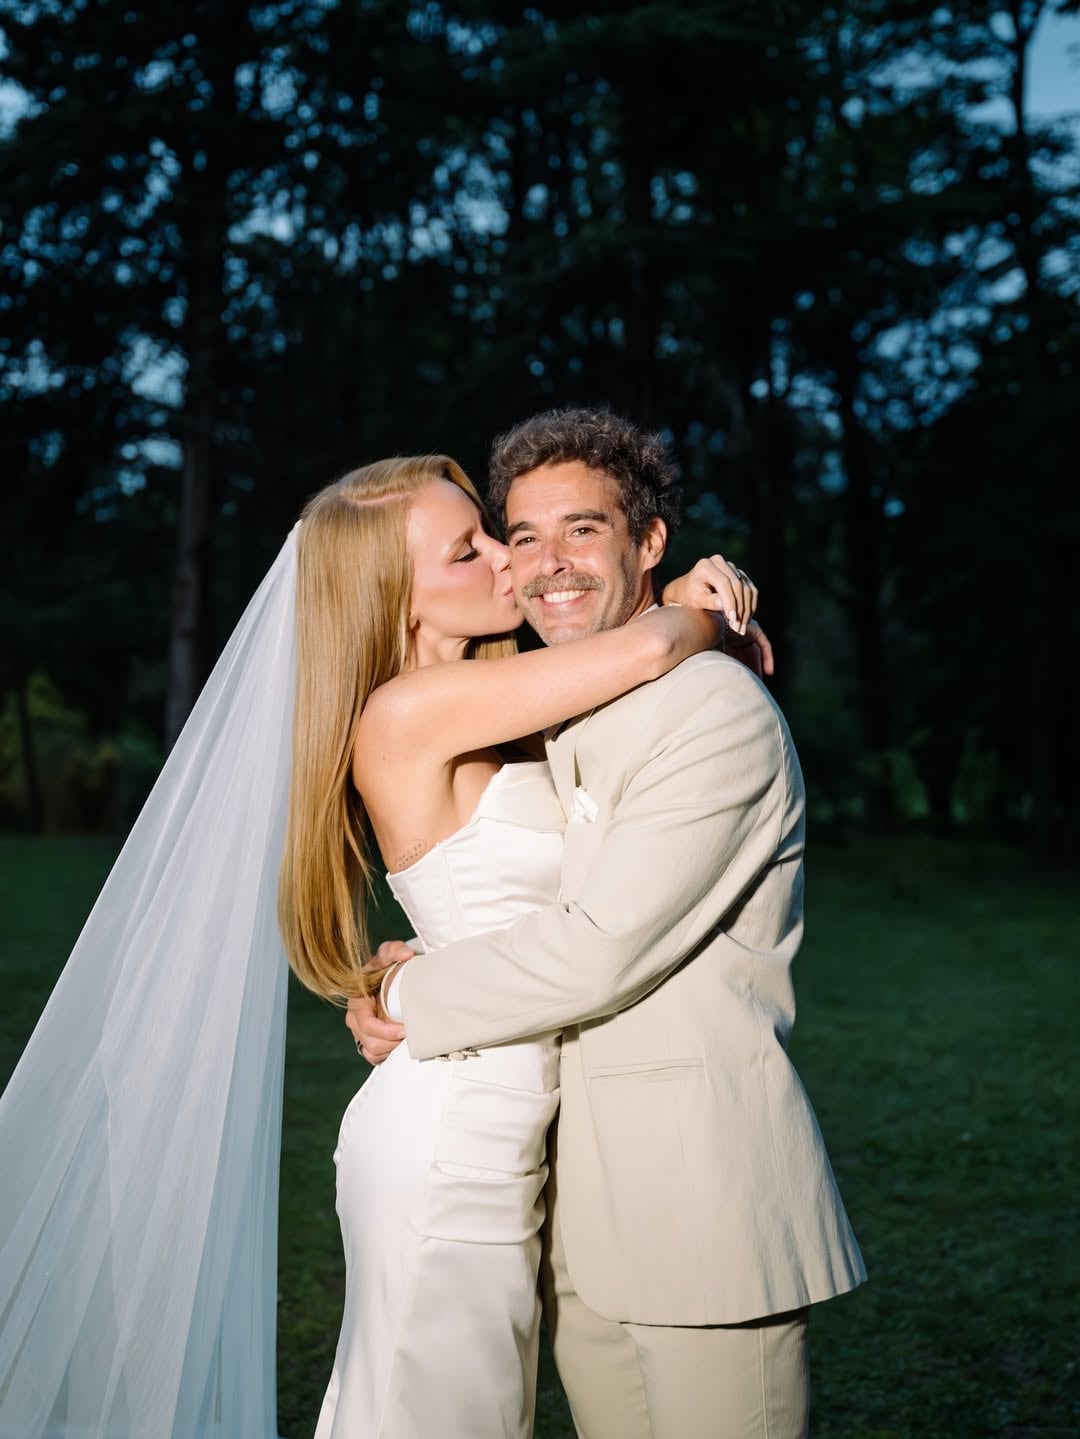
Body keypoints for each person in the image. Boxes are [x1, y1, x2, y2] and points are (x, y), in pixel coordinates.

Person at [0, 450, 755, 1439]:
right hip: (453, 1139)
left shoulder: (503, 698)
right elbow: (654, 650)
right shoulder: (408, 710)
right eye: (467, 549)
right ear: (395, 594)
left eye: (494, 533)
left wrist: (407, 968)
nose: (504, 559)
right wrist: (705, 600)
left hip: (506, 1115)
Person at [350, 409, 867, 1439]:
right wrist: (677, 611)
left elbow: (595, 947)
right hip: (571, 1200)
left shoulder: (711, 708)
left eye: (582, 530)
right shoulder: (555, 699)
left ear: (649, 540)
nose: (537, 565)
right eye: (517, 535)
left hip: (703, 1199)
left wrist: (404, 990)